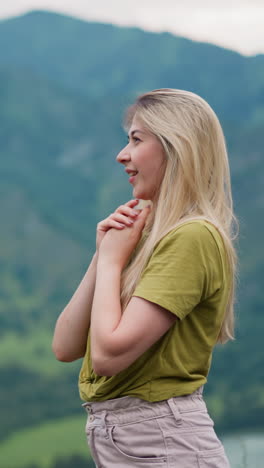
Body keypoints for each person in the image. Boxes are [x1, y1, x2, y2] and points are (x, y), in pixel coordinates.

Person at [52, 89, 238, 467]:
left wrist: (111, 264)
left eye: (136, 140)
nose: (123, 155)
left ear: (176, 147)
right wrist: (103, 254)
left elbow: (107, 355)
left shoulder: (193, 236)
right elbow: (65, 346)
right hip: (141, 441)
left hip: (164, 443)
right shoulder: (149, 235)